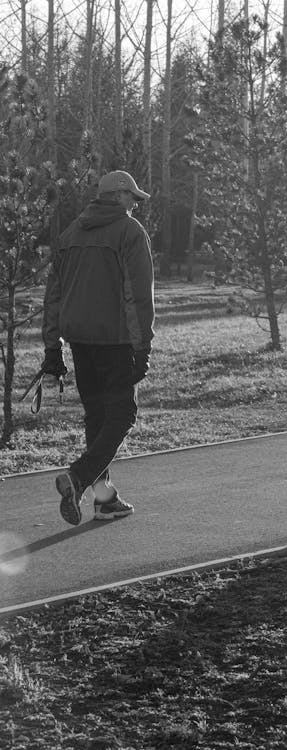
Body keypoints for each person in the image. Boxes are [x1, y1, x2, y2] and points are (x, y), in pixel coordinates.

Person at [41, 170, 155, 525]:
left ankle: (104, 500)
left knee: (97, 417)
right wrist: (143, 348)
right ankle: (78, 478)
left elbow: (54, 296)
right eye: (132, 198)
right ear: (119, 196)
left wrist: (51, 348)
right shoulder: (130, 233)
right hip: (116, 340)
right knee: (122, 416)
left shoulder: (70, 233)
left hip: (80, 340)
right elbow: (138, 296)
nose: (135, 205)